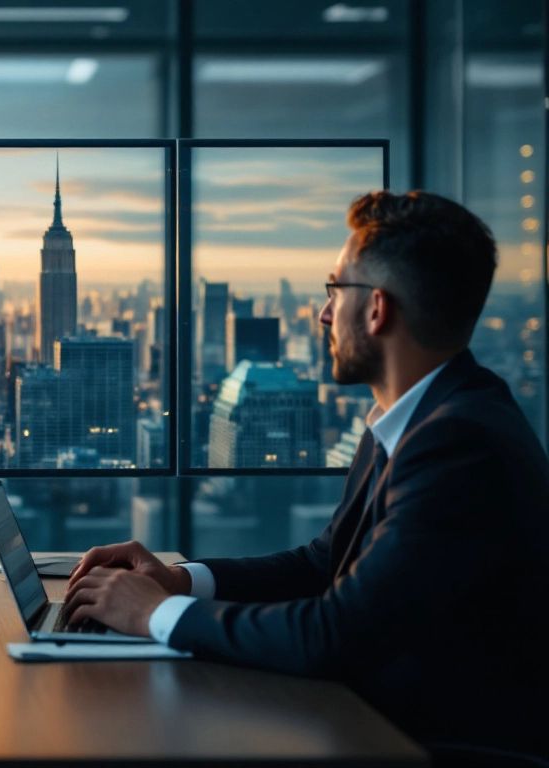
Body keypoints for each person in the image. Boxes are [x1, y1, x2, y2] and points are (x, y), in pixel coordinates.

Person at [64, 190, 549, 756]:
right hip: (375, 724)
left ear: (376, 308)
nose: (323, 312)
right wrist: (181, 581)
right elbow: (324, 563)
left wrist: (153, 612)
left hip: (429, 747)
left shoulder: (459, 443)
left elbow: (334, 636)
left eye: (334, 289)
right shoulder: (415, 419)